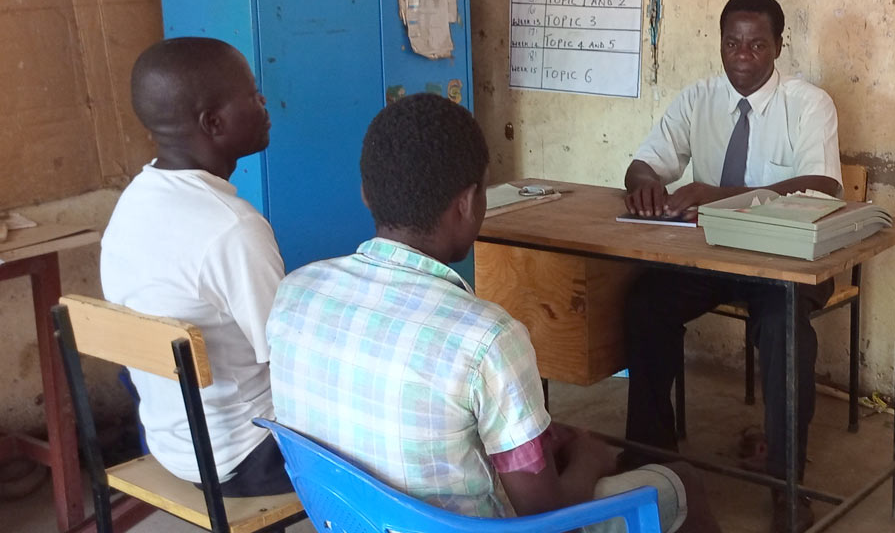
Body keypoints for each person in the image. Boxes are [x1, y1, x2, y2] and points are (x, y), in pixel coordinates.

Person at [267, 93, 722, 532]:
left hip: (354, 519)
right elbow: (545, 516)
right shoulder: (486, 338)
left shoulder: (294, 295)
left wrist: (535, 440)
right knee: (683, 483)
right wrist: (590, 457)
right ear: (467, 203)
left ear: (367, 194)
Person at [622, 0, 842, 533]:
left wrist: (719, 194)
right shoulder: (697, 99)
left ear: (777, 47)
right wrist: (647, 185)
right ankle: (652, 455)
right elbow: (645, 161)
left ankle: (786, 482)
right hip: (712, 254)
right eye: (732, 43)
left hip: (783, 259)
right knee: (645, 300)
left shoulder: (809, 103)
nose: (742, 56)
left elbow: (824, 186)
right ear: (719, 43)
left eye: (757, 44)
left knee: (784, 327)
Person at [100, 37, 292, 496]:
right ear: (213, 122)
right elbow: (290, 358)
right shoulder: (233, 229)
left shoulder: (131, 206)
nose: (263, 101)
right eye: (250, 94)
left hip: (171, 442)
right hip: (248, 454)